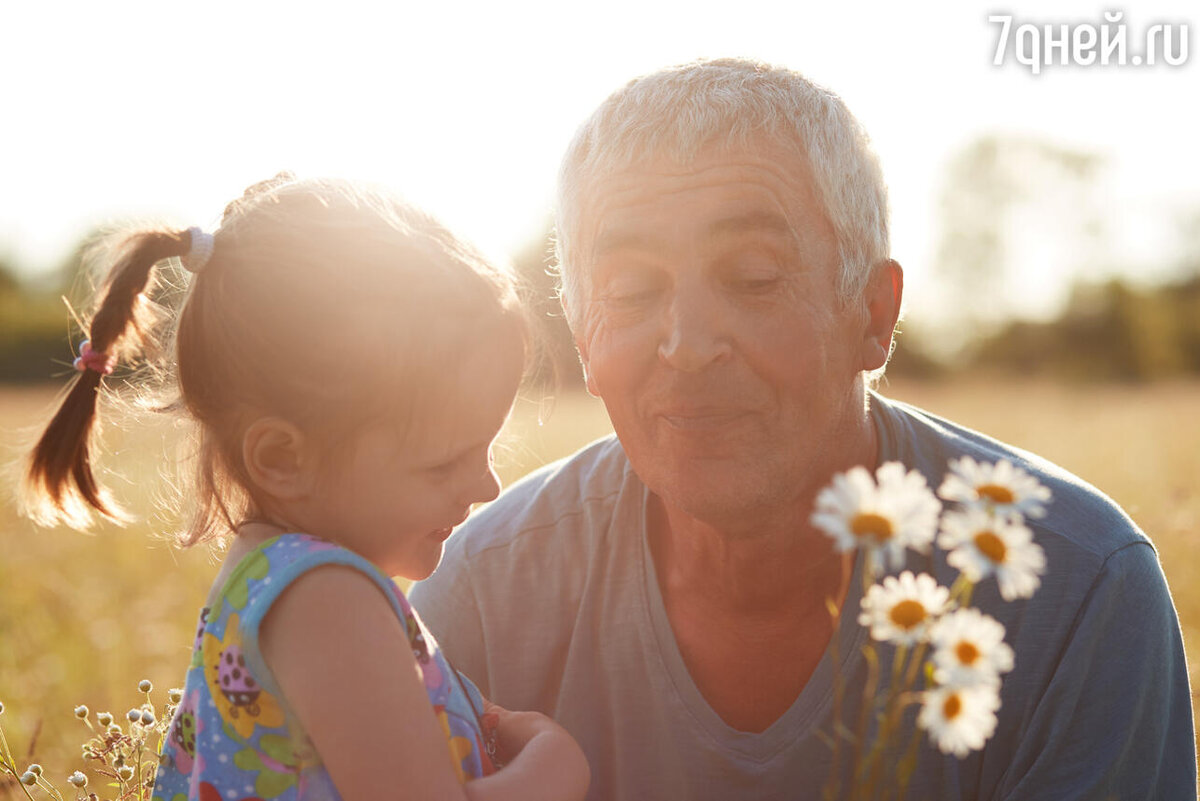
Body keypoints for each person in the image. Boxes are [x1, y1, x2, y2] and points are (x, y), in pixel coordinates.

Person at [410, 59, 1195, 800]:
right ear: (585, 340)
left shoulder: (1079, 592)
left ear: (874, 315)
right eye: (631, 289)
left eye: (753, 277)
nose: (686, 344)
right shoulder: (484, 592)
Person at [23, 175, 589, 801]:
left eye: (486, 449)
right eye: (443, 463)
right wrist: (557, 767)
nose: (487, 485)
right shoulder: (327, 599)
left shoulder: (279, 585)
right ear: (282, 459)